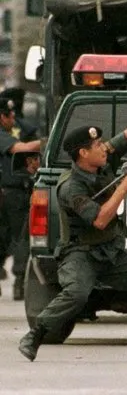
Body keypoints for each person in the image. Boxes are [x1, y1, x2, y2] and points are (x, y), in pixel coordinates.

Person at [18, 125, 127, 363]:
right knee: (77, 293)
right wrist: (122, 189)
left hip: (111, 250)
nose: (103, 148)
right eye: (96, 146)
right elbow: (100, 220)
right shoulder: (70, 186)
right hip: (80, 253)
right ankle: (35, 334)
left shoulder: (103, 161)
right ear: (83, 153)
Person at [0, 97, 43, 300]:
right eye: (10, 115)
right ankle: (18, 281)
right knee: (17, 238)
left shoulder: (19, 129)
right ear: (2, 117)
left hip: (16, 192)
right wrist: (46, 142)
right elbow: (20, 149)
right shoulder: (3, 135)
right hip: (9, 193)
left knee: (18, 238)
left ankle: (19, 282)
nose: (14, 119)